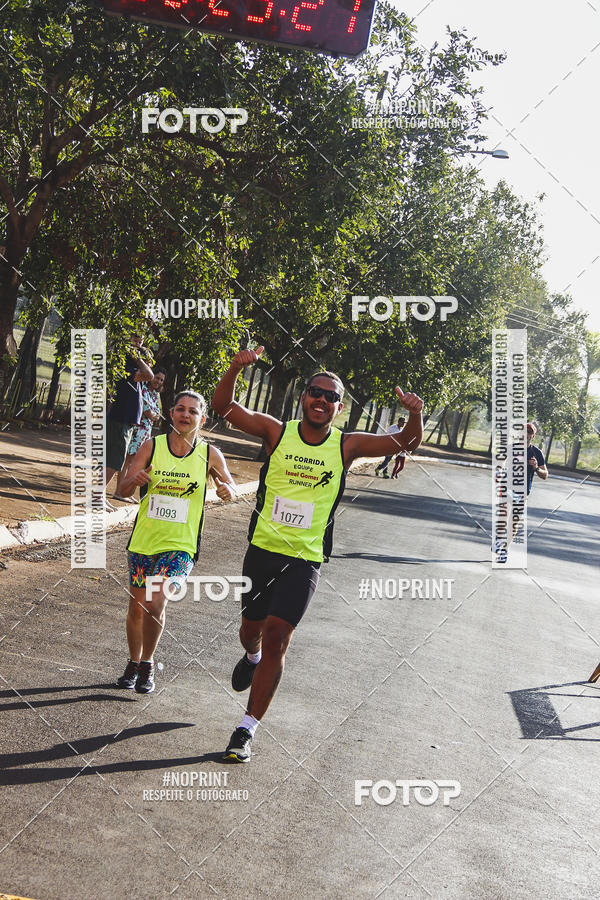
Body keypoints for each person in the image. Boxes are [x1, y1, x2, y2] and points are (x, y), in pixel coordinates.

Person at [211, 345, 423, 762]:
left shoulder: (347, 446)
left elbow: (406, 441)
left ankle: (245, 730)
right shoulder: (277, 431)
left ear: (339, 407)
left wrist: (415, 413)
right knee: (251, 631)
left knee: (278, 638)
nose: (322, 400)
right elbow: (224, 407)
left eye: (330, 396)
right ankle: (249, 655)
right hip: (262, 552)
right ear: (303, 397)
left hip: (305, 560)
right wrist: (235, 368)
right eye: (316, 392)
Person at [115, 390, 236, 694]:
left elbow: (230, 485)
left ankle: (147, 664)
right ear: (171, 414)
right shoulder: (152, 446)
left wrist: (227, 491)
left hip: (181, 547)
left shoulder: (209, 454)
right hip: (144, 542)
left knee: (157, 602)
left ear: (202, 418)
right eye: (180, 409)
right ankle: (133, 661)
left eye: (193, 411)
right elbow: (123, 489)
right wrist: (136, 479)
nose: (185, 415)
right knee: (137, 608)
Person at [106, 334, 154, 502]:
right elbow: (149, 375)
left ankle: (98, 495)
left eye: (141, 338)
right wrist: (137, 357)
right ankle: (97, 497)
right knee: (114, 460)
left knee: (114, 458)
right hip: (121, 417)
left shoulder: (132, 365)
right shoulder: (127, 364)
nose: (139, 341)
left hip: (126, 419)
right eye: (135, 338)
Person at [116, 367, 167, 502]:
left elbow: (155, 413)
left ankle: (125, 491)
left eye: (161, 380)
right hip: (137, 429)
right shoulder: (142, 388)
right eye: (157, 378)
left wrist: (153, 415)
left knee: (134, 462)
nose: (158, 381)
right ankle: (119, 491)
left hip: (145, 432)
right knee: (127, 460)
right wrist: (152, 415)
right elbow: (148, 412)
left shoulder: (155, 394)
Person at [526, 422, 548, 495]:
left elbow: (545, 475)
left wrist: (536, 468)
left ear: (533, 436)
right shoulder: (510, 449)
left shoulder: (537, 452)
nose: (526, 434)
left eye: (529, 432)